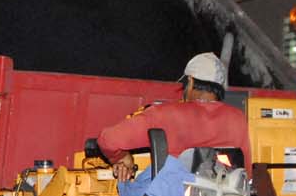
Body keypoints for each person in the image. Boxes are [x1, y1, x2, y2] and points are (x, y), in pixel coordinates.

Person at [96, 51, 251, 184]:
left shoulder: (164, 115)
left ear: (190, 82)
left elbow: (108, 140)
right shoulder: (238, 119)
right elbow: (246, 173)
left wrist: (122, 157)